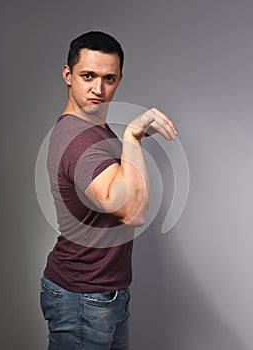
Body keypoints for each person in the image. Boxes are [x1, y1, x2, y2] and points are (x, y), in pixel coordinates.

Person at [40, 31, 177, 350]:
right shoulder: (80, 140)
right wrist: (131, 136)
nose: (99, 89)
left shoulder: (93, 129)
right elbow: (133, 211)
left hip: (103, 293)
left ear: (119, 78)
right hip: (82, 297)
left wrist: (132, 139)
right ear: (68, 75)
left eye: (109, 78)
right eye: (88, 76)